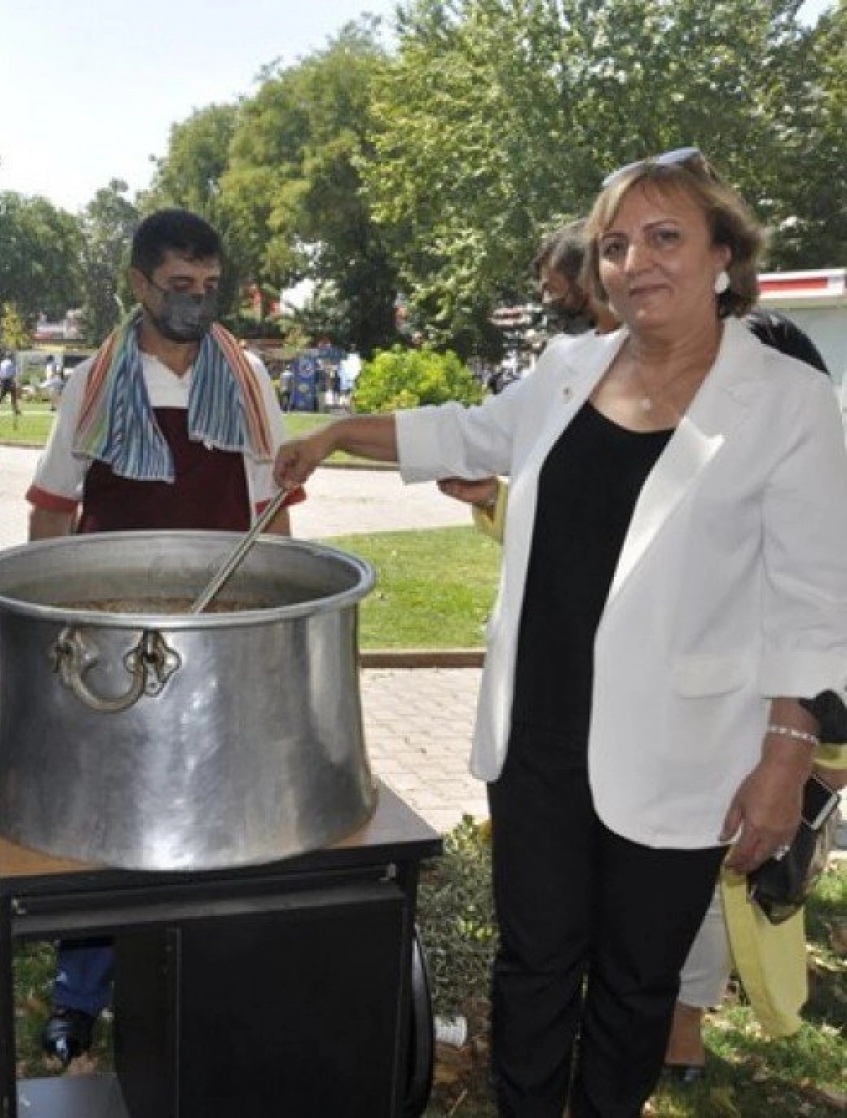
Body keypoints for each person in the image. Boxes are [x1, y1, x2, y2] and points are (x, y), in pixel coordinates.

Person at [275, 149, 847, 1115]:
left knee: (635, 981)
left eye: (665, 237)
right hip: (538, 732)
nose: (635, 263)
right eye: (616, 246)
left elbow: (814, 588)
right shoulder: (569, 368)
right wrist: (334, 434)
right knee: (533, 966)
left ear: (723, 254)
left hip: (684, 746)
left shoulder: (786, 398)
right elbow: (464, 432)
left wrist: (787, 755)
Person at [26, 208, 300, 1065]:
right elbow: (51, 509)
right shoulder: (94, 382)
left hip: (220, 636)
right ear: (140, 285)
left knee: (218, 814)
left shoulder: (248, 377)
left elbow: (275, 510)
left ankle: (212, 984)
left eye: (208, 286)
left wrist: (283, 637)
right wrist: (48, 627)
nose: (195, 300)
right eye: (179, 286)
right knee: (109, 816)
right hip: (113, 640)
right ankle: (82, 992)